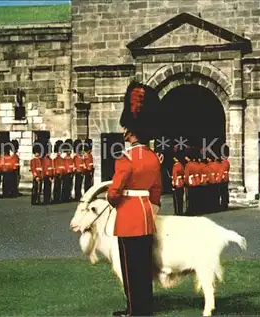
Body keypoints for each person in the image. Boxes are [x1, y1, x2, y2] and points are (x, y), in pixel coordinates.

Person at [107, 81, 161, 317]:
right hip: (146, 215)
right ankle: (146, 306)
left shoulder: (125, 159)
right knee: (144, 266)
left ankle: (134, 311)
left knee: (130, 268)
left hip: (129, 216)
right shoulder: (152, 158)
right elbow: (156, 190)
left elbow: (113, 194)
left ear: (130, 132)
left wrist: (113, 200)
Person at [171, 145, 185, 215]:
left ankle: (177, 212)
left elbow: (174, 176)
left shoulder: (176, 166)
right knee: (181, 198)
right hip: (181, 183)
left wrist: (174, 184)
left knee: (176, 199)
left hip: (177, 183)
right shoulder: (181, 165)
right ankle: (181, 211)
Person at [30, 140, 44, 205]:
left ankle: (38, 200)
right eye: (36, 152)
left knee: (39, 190)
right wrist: (36, 176)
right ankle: (34, 200)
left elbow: (42, 168)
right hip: (36, 177)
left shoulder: (41, 160)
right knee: (35, 190)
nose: (37, 154)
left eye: (38, 152)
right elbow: (33, 169)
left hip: (40, 176)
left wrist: (41, 176)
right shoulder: (32, 160)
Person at [219, 145, 230, 210]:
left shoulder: (224, 163)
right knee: (225, 191)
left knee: (223, 192)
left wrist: (219, 179)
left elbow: (221, 171)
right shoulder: (226, 162)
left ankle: (224, 204)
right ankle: (225, 203)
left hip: (223, 178)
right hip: (226, 178)